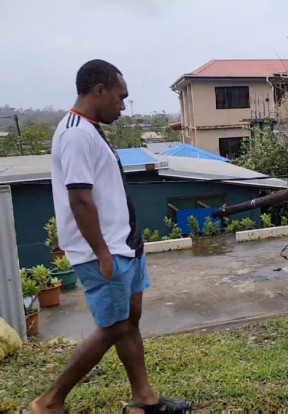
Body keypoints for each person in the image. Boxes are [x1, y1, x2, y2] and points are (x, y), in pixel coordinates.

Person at [32, 60, 191, 413]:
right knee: (113, 327)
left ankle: (144, 401)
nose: (123, 106)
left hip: (125, 246)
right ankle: (49, 401)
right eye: (121, 98)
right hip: (103, 253)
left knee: (129, 321)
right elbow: (79, 197)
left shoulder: (90, 130)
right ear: (98, 90)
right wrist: (103, 253)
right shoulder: (74, 133)